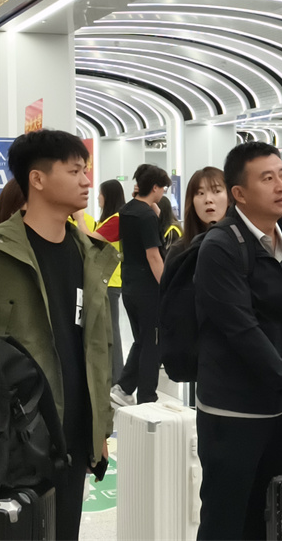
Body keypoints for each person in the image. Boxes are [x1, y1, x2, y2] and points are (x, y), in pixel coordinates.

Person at [194, 141, 282, 541]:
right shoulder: (220, 248)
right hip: (232, 410)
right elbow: (241, 331)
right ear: (239, 193)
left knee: (267, 514)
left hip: (276, 406)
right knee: (225, 520)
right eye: (267, 178)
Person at [0, 130, 118, 540]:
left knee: (64, 529)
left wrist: (101, 426)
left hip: (73, 432)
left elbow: (100, 346)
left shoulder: (90, 254)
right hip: (15, 435)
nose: (87, 181)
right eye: (75, 171)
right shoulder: (2, 254)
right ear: (37, 179)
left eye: (85, 170)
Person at [112, 163, 170, 407]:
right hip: (148, 287)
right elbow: (153, 256)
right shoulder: (146, 216)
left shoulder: (127, 210)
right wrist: (167, 288)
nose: (163, 193)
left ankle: (124, 388)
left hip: (129, 283)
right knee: (153, 342)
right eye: (163, 188)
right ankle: (147, 396)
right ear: (155, 187)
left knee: (142, 339)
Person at [92, 179, 126, 384]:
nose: (98, 197)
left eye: (100, 193)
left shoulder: (116, 219)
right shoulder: (107, 219)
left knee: (112, 330)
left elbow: (91, 239)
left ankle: (117, 377)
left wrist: (77, 218)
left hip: (111, 281)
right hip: (105, 279)